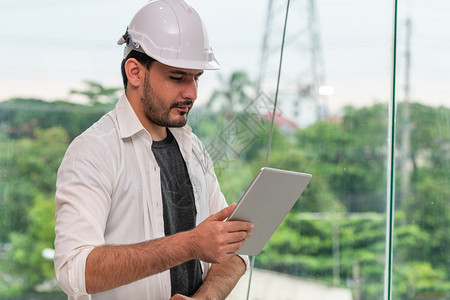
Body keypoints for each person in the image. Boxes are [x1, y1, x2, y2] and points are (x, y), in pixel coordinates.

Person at [53, 0, 253, 299]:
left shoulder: (192, 147)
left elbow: (236, 254)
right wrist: (190, 245)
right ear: (135, 72)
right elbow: (75, 271)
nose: (192, 93)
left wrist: (204, 297)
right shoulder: (93, 151)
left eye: (196, 77)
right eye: (177, 77)